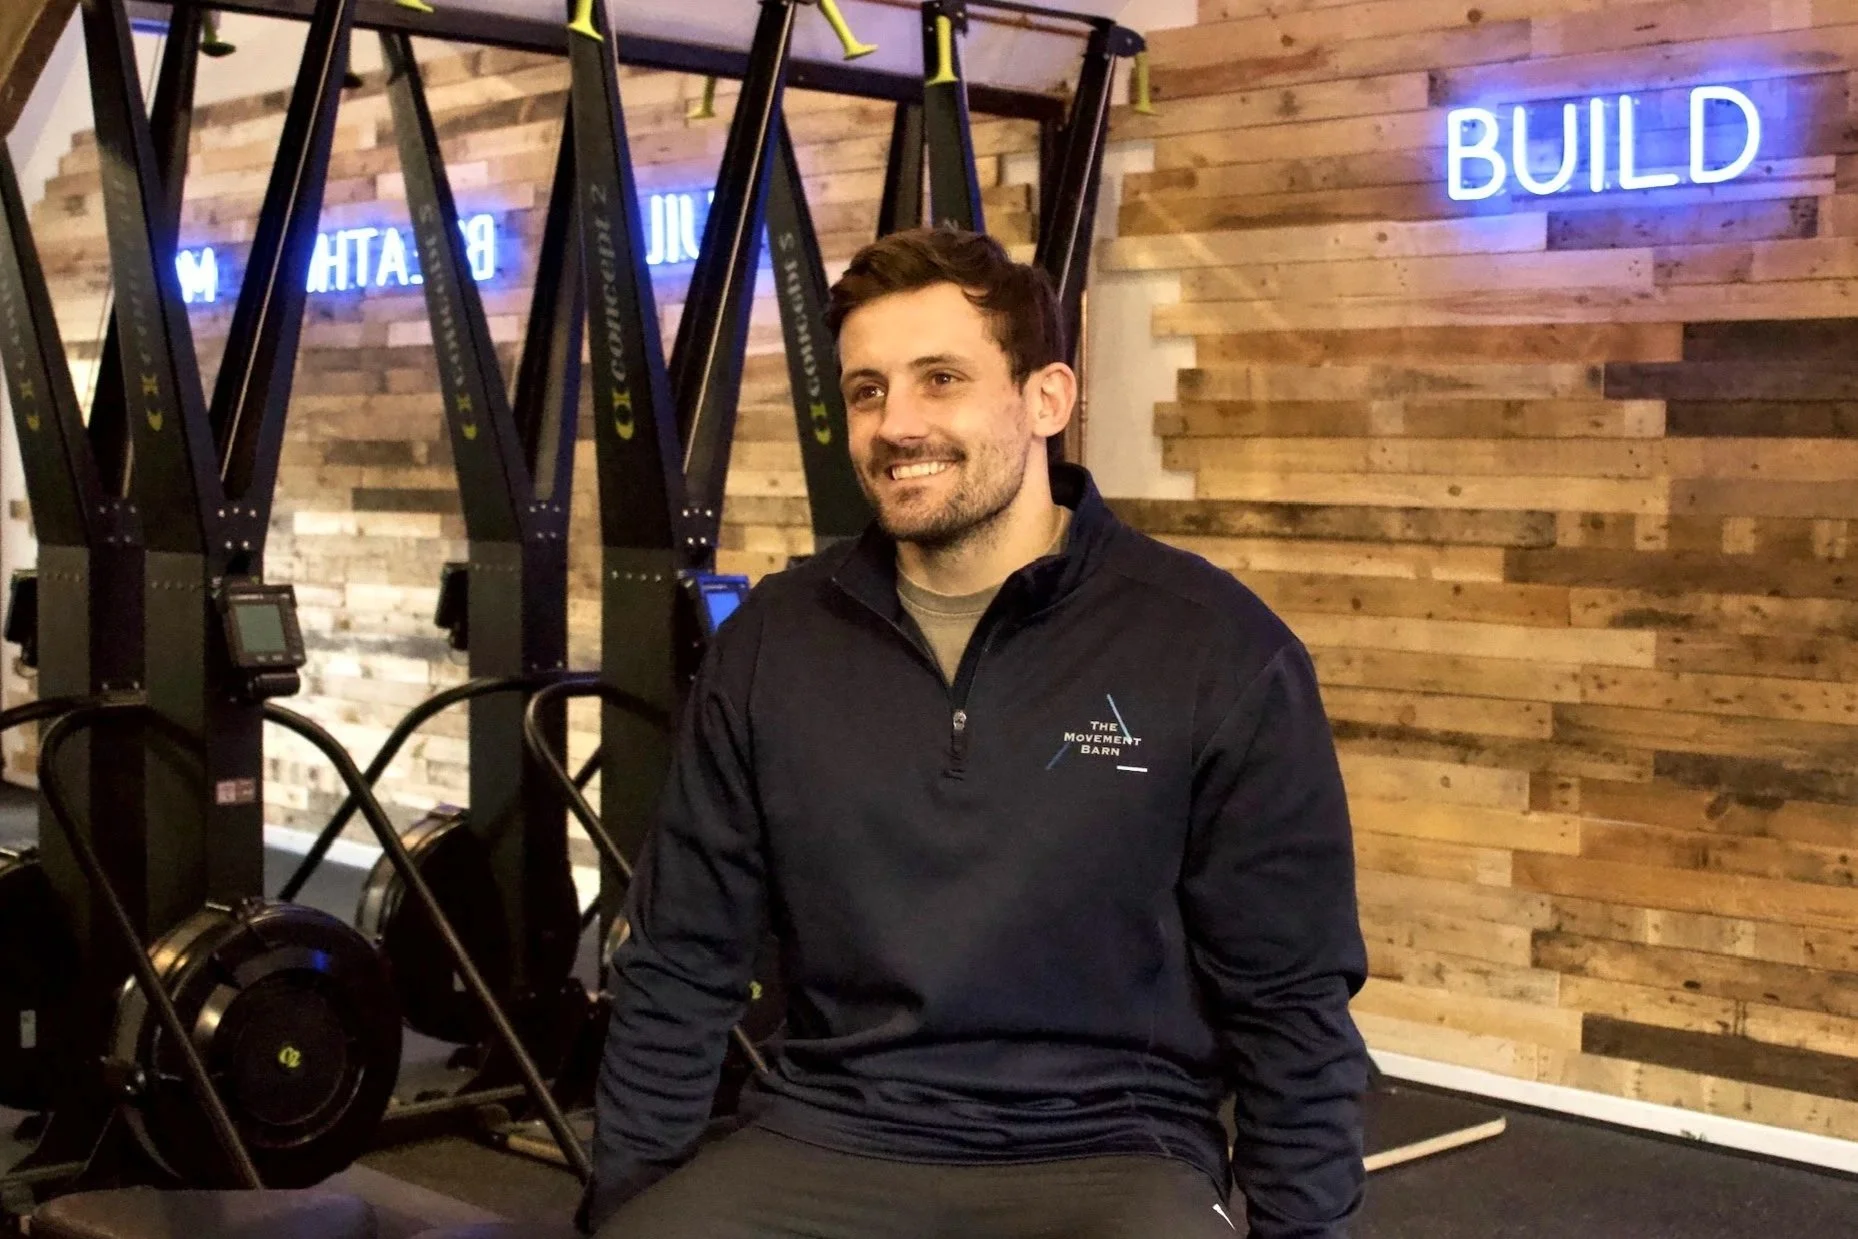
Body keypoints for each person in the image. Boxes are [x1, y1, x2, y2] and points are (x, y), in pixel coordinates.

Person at [579, 227, 1369, 1239]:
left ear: (1047, 398)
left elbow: (1290, 1000)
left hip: (1109, 1149)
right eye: (867, 391)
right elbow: (681, 960)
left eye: (939, 379)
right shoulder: (772, 644)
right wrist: (628, 1205)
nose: (895, 423)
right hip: (831, 1132)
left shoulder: (1215, 649)